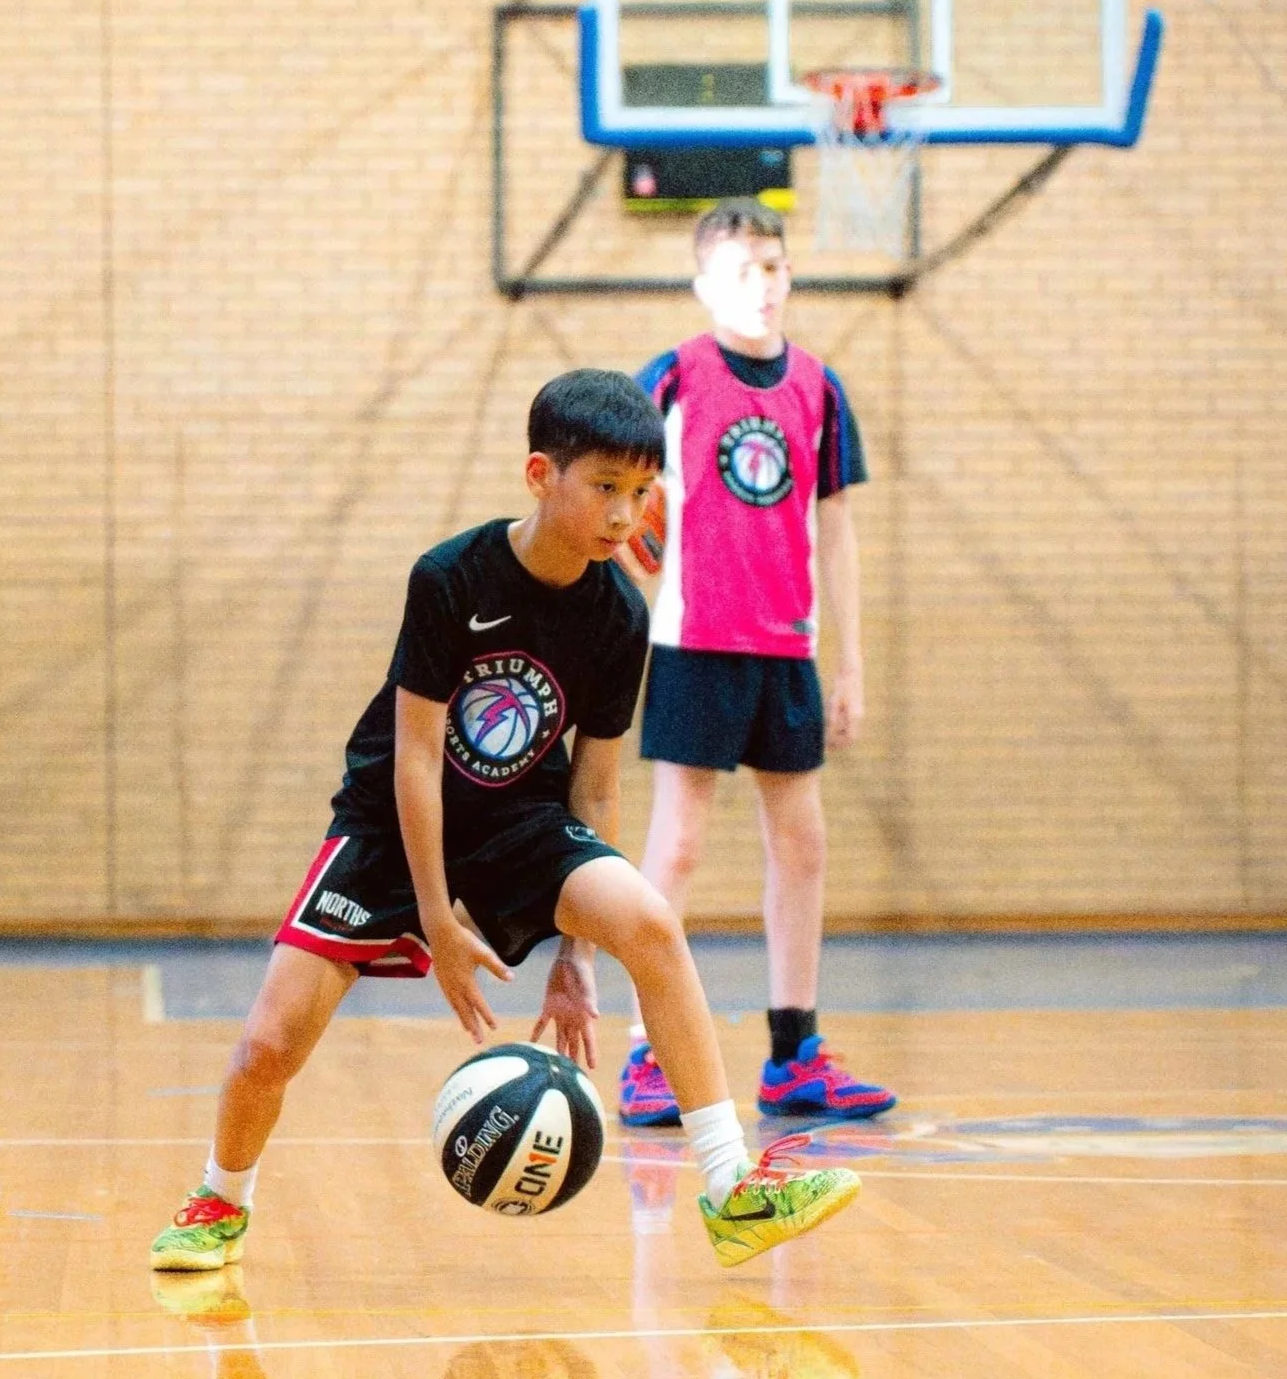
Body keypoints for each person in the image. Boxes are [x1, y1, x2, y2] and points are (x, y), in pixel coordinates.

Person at [150, 368, 859, 1272]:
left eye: (641, 493)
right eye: (604, 488)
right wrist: (439, 922)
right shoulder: (451, 577)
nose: (623, 515)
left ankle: (730, 1189)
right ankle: (220, 1199)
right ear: (539, 474)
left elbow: (595, 791)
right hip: (389, 826)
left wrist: (575, 959)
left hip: (521, 821)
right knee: (267, 1045)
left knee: (650, 920)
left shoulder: (618, 615)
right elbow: (414, 757)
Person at [615, 198, 895, 1129]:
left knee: (803, 844)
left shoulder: (819, 386)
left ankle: (795, 1052)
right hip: (695, 640)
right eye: (742, 271)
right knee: (679, 844)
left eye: (773, 267)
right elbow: (614, 493)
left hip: (786, 649)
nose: (763, 286)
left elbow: (837, 529)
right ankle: (646, 1053)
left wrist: (848, 663)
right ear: (704, 285)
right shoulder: (674, 378)